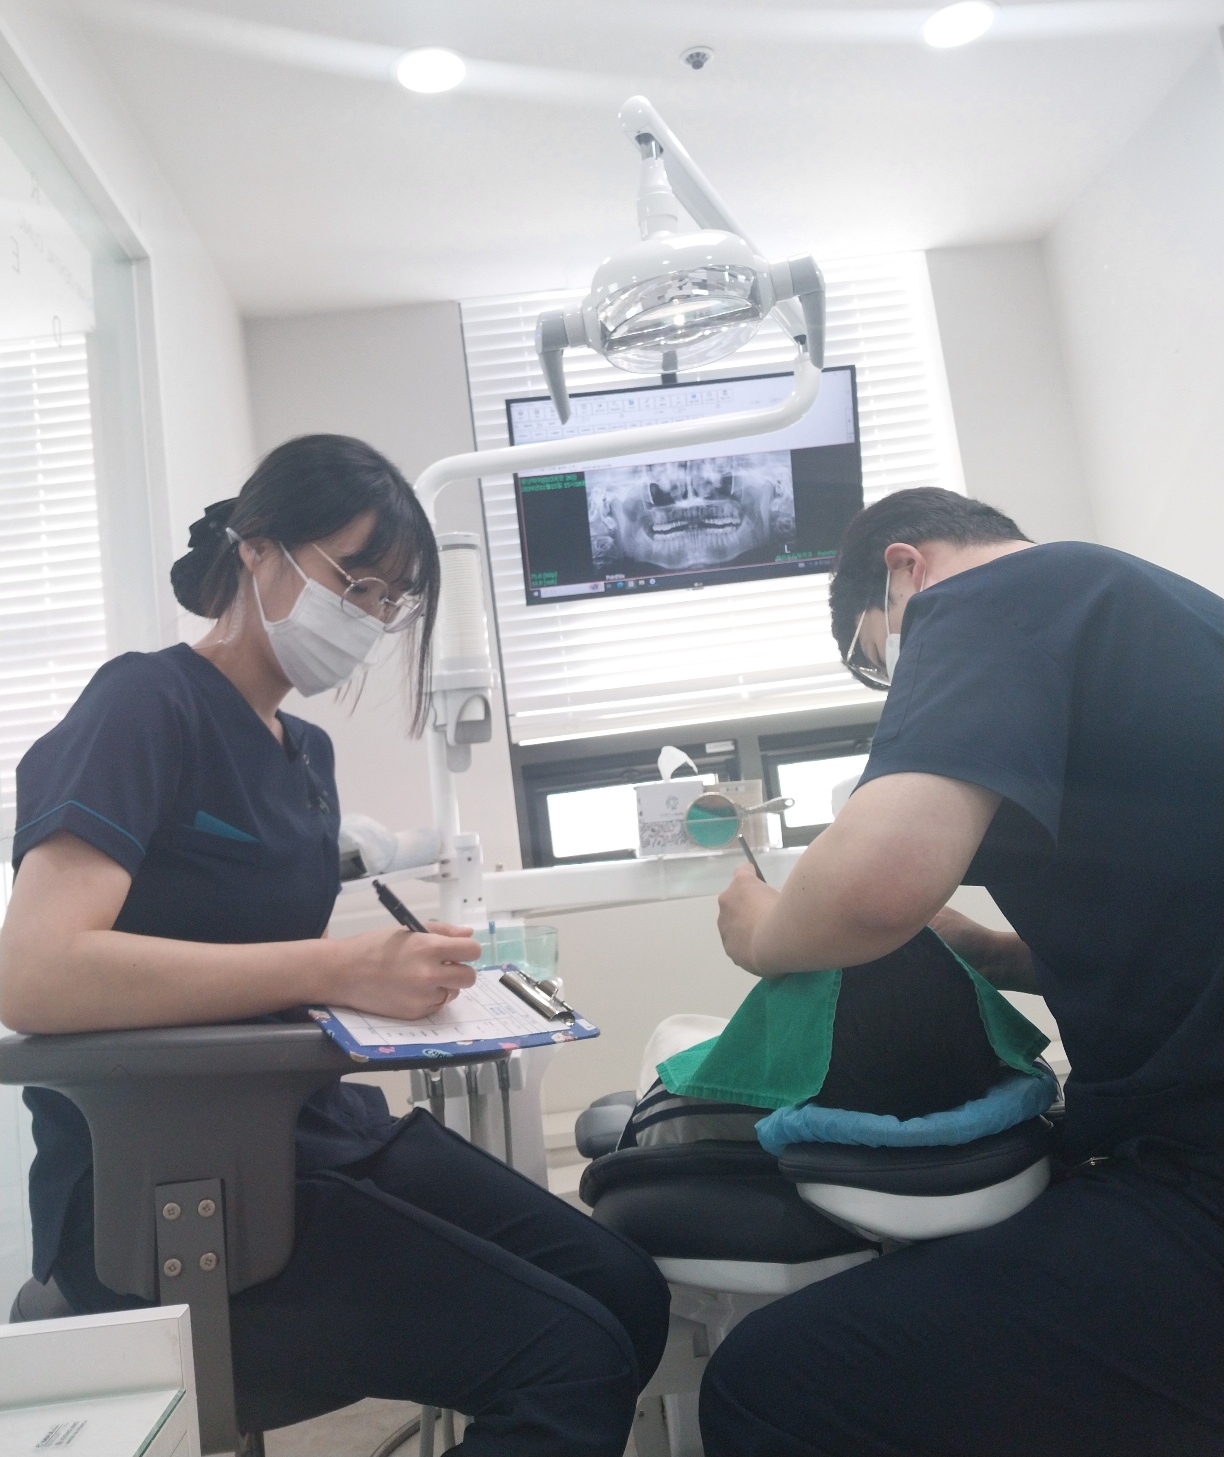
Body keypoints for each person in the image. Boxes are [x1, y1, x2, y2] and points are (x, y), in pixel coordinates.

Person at [0, 434, 668, 1456]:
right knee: (570, 1360)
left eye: (390, 601)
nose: (370, 618)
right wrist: (338, 968)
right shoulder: (144, 705)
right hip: (166, 1192)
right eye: (356, 583)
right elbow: (35, 974)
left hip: (313, 1130)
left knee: (626, 1294)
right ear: (257, 550)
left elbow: (252, 965)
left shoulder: (304, 754)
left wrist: (407, 981)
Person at [701, 487, 1223, 1457]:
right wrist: (990, 953)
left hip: (1203, 1181)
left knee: (772, 1380)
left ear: (905, 569)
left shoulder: (992, 595)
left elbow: (874, 889)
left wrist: (763, 933)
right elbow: (1174, 933)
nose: (899, 686)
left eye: (879, 661)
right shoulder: (1162, 616)